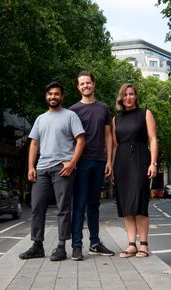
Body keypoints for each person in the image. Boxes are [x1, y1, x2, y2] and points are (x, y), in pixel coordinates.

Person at [19, 81, 85, 262]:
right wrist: (31, 166)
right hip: (42, 169)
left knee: (63, 208)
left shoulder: (70, 116)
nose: (53, 97)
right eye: (50, 94)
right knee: (37, 207)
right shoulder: (40, 119)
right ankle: (37, 246)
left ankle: (62, 247)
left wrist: (72, 164)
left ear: (62, 96)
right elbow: (34, 143)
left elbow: (81, 140)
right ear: (46, 96)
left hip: (62, 169)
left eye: (56, 94)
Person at [69, 71, 114, 261]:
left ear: (94, 84)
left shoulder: (103, 108)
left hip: (99, 161)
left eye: (88, 83)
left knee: (94, 204)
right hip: (80, 162)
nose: (86, 86)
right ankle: (77, 246)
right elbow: (68, 139)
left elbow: (108, 136)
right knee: (79, 205)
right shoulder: (72, 111)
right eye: (82, 84)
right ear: (78, 87)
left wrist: (110, 160)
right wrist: (69, 162)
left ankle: (95, 243)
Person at [111, 83, 158, 258]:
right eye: (125, 95)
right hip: (121, 162)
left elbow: (153, 140)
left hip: (140, 159)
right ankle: (131, 244)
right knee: (126, 204)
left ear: (136, 96)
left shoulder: (145, 114)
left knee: (139, 202)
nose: (128, 97)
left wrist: (153, 163)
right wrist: (112, 167)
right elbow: (115, 145)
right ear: (121, 98)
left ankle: (144, 244)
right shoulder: (116, 119)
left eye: (131, 94)